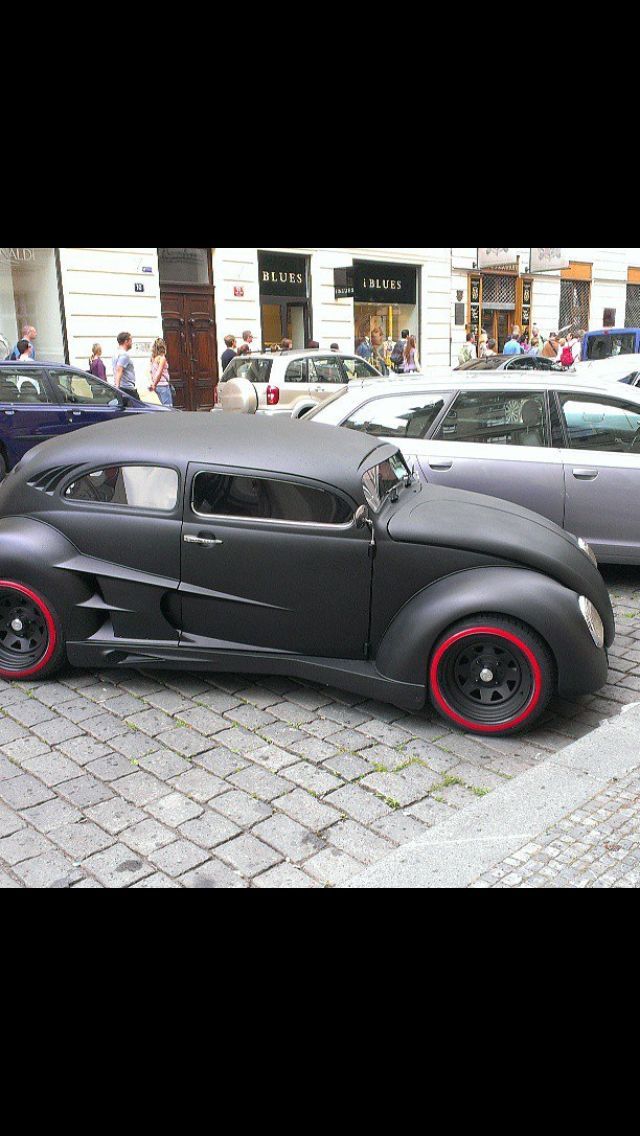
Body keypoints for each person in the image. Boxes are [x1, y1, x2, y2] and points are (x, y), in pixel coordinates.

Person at [113, 332, 141, 400]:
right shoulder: (124, 355)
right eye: (131, 341)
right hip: (127, 389)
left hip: (123, 388)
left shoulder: (116, 354)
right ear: (126, 341)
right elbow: (119, 370)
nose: (132, 343)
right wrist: (117, 389)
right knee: (140, 409)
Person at [149, 338, 173, 407]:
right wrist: (154, 385)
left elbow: (151, 372)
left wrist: (153, 384)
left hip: (157, 386)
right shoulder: (162, 358)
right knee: (168, 407)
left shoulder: (153, 358)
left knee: (162, 407)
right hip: (163, 386)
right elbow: (159, 373)